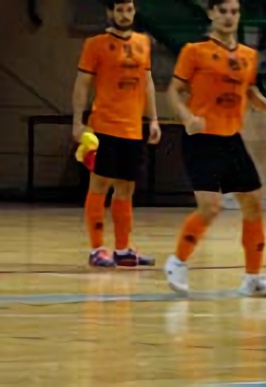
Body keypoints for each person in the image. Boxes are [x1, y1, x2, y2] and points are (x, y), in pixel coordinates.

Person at [163, 0, 266, 297]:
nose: (229, 17)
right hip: (201, 138)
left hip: (232, 139)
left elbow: (250, 91)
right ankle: (177, 261)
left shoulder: (249, 55)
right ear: (211, 13)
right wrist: (186, 117)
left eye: (234, 12)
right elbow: (174, 91)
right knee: (210, 208)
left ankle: (253, 278)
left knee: (253, 204)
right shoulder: (194, 52)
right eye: (223, 11)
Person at [73, 0, 160, 268]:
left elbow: (147, 83)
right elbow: (82, 84)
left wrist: (153, 119)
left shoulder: (143, 43)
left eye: (129, 9)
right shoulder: (95, 44)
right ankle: (97, 248)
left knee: (126, 188)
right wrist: (78, 122)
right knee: (99, 184)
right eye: (120, 10)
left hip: (132, 129)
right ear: (110, 13)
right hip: (104, 126)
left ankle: (123, 250)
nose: (125, 15)